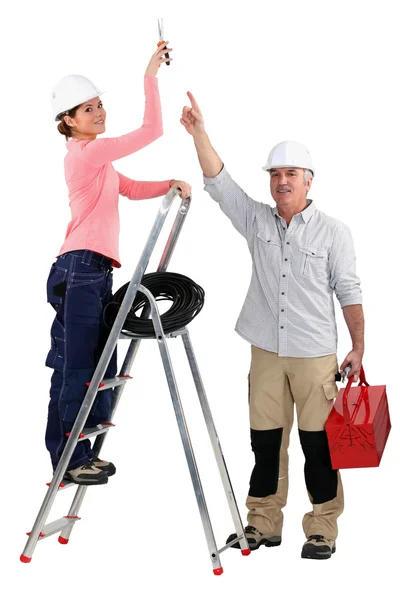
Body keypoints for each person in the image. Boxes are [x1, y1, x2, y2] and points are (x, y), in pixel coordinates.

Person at [180, 92, 364, 560]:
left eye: (290, 175)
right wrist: (200, 132)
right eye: (276, 175)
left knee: (318, 445)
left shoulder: (334, 232)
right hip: (264, 349)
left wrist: (358, 349)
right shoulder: (256, 220)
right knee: (265, 441)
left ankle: (322, 528)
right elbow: (219, 183)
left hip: (316, 355)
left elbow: (349, 292)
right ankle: (262, 522)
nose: (282, 182)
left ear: (308, 181)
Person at [46, 43, 192, 486]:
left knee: (82, 361)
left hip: (88, 270)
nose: (99, 112)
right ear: (69, 120)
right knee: (79, 365)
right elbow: (151, 130)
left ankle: (70, 453)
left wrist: (169, 184)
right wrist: (150, 73)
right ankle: (73, 458)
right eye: (88, 109)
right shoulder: (87, 153)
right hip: (81, 267)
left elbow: (127, 187)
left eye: (99, 105)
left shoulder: (97, 163)